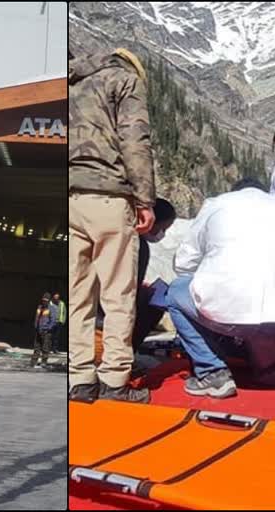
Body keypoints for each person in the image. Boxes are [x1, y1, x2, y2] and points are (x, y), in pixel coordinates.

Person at [169, 178, 275, 410]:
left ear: (234, 192)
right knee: (267, 372)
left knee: (175, 292)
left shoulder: (216, 204)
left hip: (225, 312)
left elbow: (184, 263)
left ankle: (212, 373)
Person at [68, 46, 155, 403]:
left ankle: (80, 378)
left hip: (72, 199)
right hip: (110, 197)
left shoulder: (71, 85)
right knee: (118, 295)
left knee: (78, 296)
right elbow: (135, 142)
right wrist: (145, 199)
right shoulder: (125, 81)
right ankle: (115, 381)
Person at [132, 198, 177, 351]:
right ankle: (128, 350)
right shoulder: (138, 246)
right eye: (162, 228)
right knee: (155, 306)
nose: (161, 234)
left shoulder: (132, 240)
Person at [32, 292, 58, 368]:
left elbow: (53, 320)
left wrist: (48, 329)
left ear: (49, 301)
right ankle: (33, 362)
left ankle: (44, 362)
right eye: (43, 300)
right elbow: (37, 317)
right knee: (36, 347)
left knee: (45, 348)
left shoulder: (52, 308)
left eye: (46, 300)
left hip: (46, 332)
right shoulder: (39, 307)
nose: (44, 302)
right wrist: (36, 326)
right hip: (38, 330)